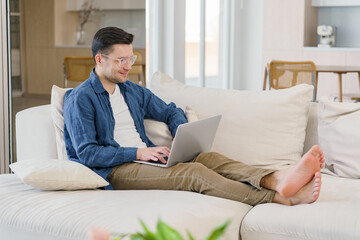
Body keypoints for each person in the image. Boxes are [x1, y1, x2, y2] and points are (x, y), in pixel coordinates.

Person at [63, 27, 324, 206]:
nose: (128, 66)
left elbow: (170, 110)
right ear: (99, 59)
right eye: (121, 60)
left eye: (130, 58)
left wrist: (180, 132)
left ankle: (276, 178)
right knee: (193, 174)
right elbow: (87, 153)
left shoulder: (132, 91)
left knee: (206, 158)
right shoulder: (81, 98)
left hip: (147, 159)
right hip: (113, 171)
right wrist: (137, 153)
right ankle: (280, 198)